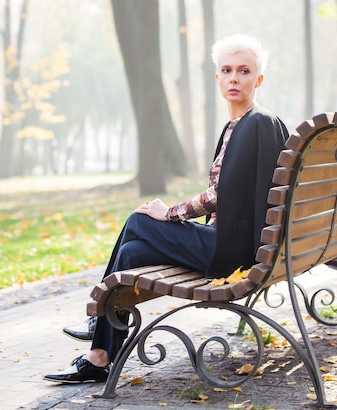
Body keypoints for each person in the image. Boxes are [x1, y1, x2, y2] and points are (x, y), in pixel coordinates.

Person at [43, 33, 289, 384]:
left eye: (244, 71)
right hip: (246, 246)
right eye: (227, 70)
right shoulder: (247, 125)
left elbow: (223, 194)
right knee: (131, 252)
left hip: (235, 252)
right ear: (217, 77)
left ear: (258, 79)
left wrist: (171, 212)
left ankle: (100, 319)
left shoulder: (255, 124)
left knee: (139, 220)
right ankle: (99, 358)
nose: (234, 78)